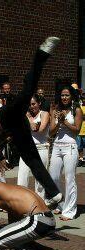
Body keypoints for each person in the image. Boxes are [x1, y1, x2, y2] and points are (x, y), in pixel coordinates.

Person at [0, 36, 62, 206]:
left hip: (6, 116)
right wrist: (9, 139)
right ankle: (53, 192)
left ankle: (40, 55)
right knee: (32, 159)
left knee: (27, 92)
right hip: (14, 128)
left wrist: (1, 157)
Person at [49, 85, 83, 220]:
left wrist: (64, 121)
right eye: (62, 95)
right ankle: (60, 204)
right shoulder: (55, 110)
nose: (64, 97)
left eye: (67, 95)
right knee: (54, 177)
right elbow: (51, 132)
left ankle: (69, 211)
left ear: (72, 96)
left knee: (70, 179)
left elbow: (77, 131)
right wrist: (58, 122)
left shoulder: (77, 110)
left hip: (70, 147)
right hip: (56, 146)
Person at [17, 94, 50, 199]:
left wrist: (30, 119)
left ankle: (40, 203)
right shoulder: (24, 115)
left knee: (40, 180)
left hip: (41, 148)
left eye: (33, 104)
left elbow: (40, 130)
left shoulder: (44, 114)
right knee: (22, 177)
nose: (31, 106)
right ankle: (21, 201)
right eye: (29, 104)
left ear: (39, 103)